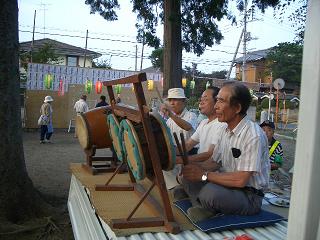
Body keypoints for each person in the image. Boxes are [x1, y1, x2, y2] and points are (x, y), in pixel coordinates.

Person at [181, 82, 270, 222]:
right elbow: (214, 163)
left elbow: (241, 180)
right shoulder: (224, 129)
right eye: (216, 100)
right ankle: (206, 207)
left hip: (249, 196)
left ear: (237, 108)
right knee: (187, 178)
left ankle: (205, 206)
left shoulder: (253, 135)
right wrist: (194, 170)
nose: (216, 106)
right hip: (227, 187)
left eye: (221, 101)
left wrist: (203, 175)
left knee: (210, 193)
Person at [160, 88, 198, 189]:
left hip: (189, 153)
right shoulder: (169, 120)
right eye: (170, 100)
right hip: (175, 152)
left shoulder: (191, 115)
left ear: (183, 101)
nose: (172, 103)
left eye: (176, 100)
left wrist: (171, 115)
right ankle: (175, 188)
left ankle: (179, 188)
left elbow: (187, 126)